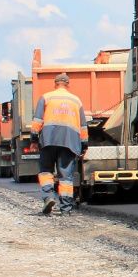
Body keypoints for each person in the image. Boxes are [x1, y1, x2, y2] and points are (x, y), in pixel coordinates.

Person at [31, 73, 88, 216]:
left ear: (55, 84)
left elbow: (37, 120)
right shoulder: (76, 101)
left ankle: (48, 197)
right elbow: (83, 126)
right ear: (68, 84)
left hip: (48, 140)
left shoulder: (46, 97)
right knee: (66, 177)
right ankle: (66, 209)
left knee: (45, 171)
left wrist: (33, 139)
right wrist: (84, 145)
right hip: (69, 142)